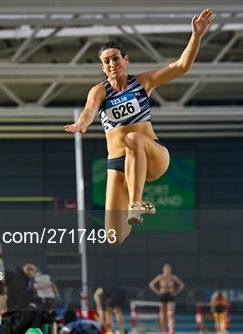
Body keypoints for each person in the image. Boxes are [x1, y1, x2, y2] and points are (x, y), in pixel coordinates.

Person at [65, 9, 214, 243]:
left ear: (126, 60)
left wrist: (196, 36)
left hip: (152, 154)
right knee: (114, 237)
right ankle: (132, 210)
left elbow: (182, 66)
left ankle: (137, 203)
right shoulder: (100, 90)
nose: (112, 64)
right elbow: (89, 110)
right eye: (107, 61)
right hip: (119, 165)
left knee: (132, 138)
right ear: (102, 67)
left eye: (116, 58)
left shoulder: (142, 82)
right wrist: (82, 123)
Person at [149, 264, 185, 334]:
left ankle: (171, 330)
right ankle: (164, 331)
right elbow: (151, 284)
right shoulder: (161, 277)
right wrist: (158, 292)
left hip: (170, 296)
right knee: (162, 314)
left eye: (168, 269)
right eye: (166, 269)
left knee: (170, 314)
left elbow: (182, 285)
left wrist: (176, 292)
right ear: (163, 270)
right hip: (163, 296)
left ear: (170, 270)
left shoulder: (173, 277)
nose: (167, 271)